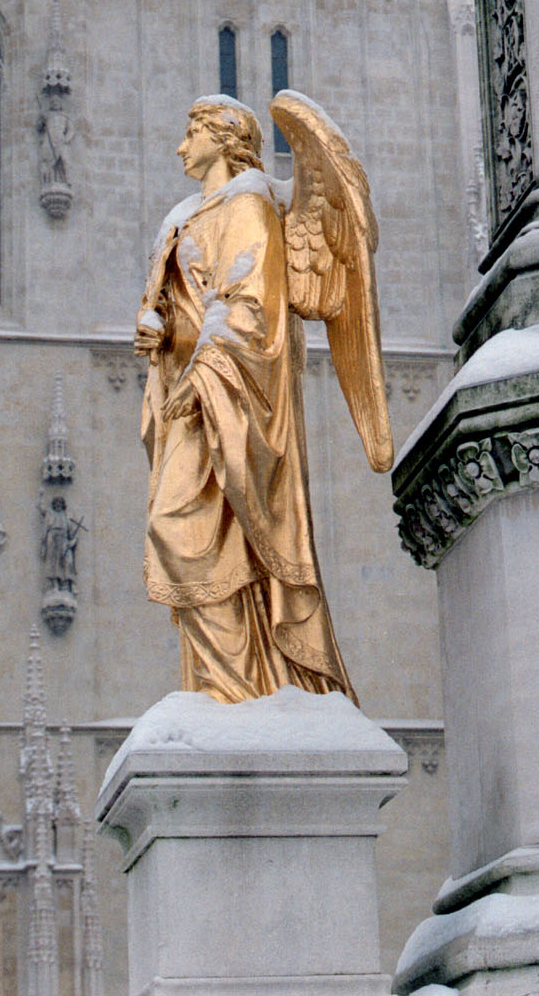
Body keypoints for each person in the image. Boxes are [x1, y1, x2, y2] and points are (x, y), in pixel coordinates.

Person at [133, 97, 355, 702]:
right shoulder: (184, 216)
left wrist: (204, 372)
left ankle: (242, 688)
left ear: (225, 138)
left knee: (182, 530)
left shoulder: (250, 203)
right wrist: (161, 333)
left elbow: (251, 303)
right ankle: (224, 685)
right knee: (187, 535)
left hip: (233, 397)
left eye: (193, 132)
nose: (182, 146)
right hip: (192, 393)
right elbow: (184, 304)